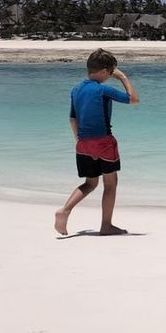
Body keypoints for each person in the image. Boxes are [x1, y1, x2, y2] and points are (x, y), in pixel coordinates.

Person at [55, 49, 140, 236]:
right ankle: (106, 225)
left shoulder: (76, 89)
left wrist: (81, 141)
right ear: (103, 71)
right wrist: (123, 77)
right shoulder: (102, 89)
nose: (110, 76)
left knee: (90, 183)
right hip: (103, 142)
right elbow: (134, 100)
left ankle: (65, 210)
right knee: (110, 184)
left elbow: (72, 119)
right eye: (110, 73)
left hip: (83, 143)